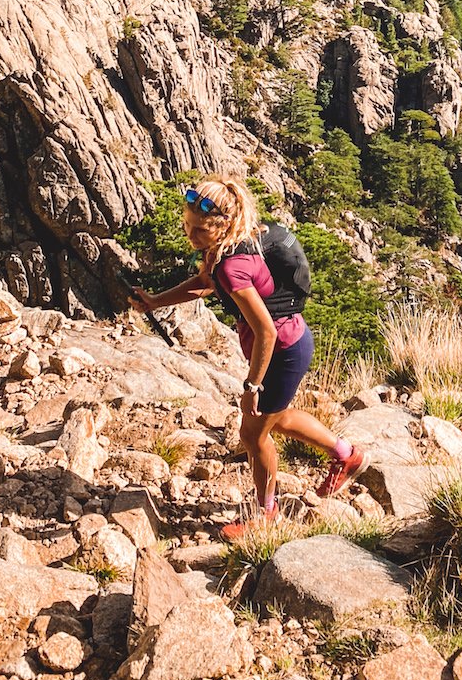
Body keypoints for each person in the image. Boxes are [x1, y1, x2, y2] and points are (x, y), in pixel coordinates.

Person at [131, 175, 367, 539]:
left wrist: (253, 385)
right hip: (289, 342)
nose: (190, 237)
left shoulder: (231, 264)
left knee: (253, 434)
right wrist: (156, 301)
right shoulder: (232, 243)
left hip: (283, 350)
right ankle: (346, 455)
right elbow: (205, 284)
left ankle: (266, 514)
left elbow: (266, 331)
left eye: (198, 231)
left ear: (222, 224)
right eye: (187, 226)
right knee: (281, 418)